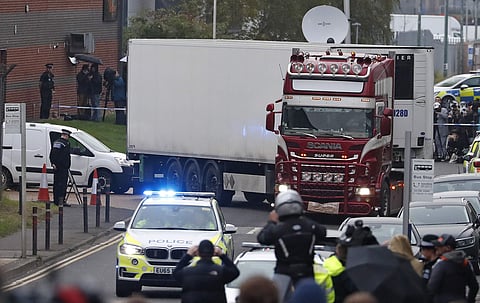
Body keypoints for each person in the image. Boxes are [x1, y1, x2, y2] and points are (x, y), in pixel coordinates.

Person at [257, 190, 327, 287]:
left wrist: (271, 222)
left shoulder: (278, 230)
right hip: (306, 272)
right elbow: (323, 232)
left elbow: (262, 238)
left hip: (283, 273)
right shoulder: (310, 226)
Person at [173, 239, 239, 303]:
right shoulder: (220, 271)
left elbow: (175, 273)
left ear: (198, 253)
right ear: (213, 252)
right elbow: (235, 272)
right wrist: (222, 255)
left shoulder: (187, 272)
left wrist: (188, 255)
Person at [427, 234, 479, 303]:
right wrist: (470, 300)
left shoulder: (441, 265)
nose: (436, 247)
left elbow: (432, 288)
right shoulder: (465, 263)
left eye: (440, 246)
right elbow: (474, 286)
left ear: (448, 248)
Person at [49, 129, 72, 207]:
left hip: (56, 167)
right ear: (66, 136)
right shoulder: (66, 143)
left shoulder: (56, 142)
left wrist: (53, 163)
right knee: (62, 185)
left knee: (56, 183)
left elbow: (52, 153)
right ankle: (61, 201)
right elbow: (65, 156)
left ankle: (56, 200)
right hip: (63, 167)